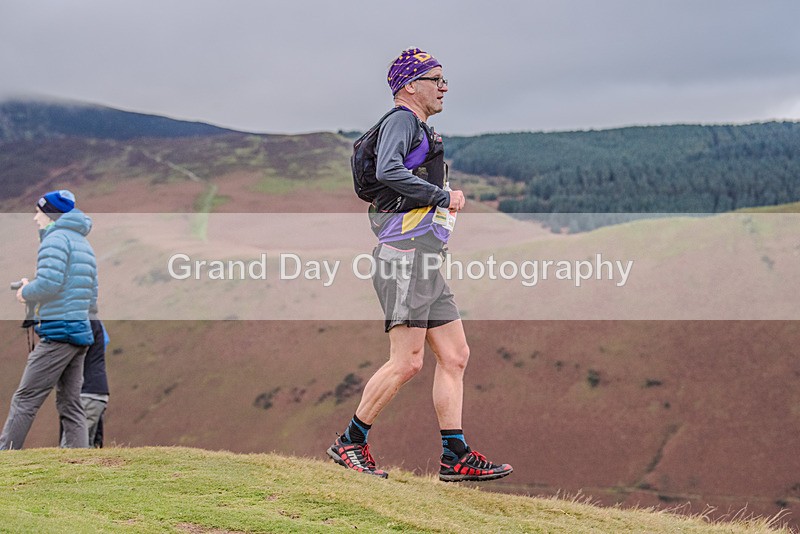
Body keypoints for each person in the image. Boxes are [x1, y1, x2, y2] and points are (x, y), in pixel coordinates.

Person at [328, 48, 513, 482]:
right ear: (411, 85)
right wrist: (442, 197)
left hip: (425, 258)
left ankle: (455, 455)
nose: (445, 87)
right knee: (407, 362)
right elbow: (390, 169)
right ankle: (350, 442)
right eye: (437, 79)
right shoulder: (401, 121)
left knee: (455, 354)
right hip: (404, 258)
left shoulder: (419, 127)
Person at [0, 190, 98, 450]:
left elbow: (50, 284)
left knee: (25, 398)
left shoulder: (55, 240)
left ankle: (5, 457)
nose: (35, 218)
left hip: (58, 332)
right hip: (79, 332)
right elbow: (91, 293)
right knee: (70, 403)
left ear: (51, 215)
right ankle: (80, 463)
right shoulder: (82, 243)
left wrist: (25, 292)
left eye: (39, 212)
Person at [60, 318, 109, 448]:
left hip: (87, 394)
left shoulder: (85, 323)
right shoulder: (94, 323)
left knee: (70, 449)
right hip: (94, 393)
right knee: (88, 448)